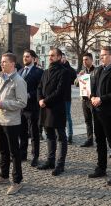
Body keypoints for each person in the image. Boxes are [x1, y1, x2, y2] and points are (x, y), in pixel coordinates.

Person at [0, 53, 27, 195]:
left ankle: (17, 181)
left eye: (4, 62)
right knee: (3, 150)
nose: (1, 64)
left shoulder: (19, 81)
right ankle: (4, 176)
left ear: (12, 64)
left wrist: (2, 104)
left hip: (11, 122)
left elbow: (22, 103)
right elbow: (0, 97)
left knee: (14, 152)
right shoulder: (0, 78)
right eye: (1, 62)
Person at [88, 46, 111, 186]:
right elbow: (94, 87)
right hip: (97, 111)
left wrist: (101, 99)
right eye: (100, 54)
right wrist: (92, 97)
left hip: (110, 112)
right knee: (100, 141)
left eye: (104, 55)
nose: (101, 57)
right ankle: (101, 168)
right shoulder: (99, 69)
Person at [37, 48, 69, 176]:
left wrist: (45, 100)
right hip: (45, 108)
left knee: (61, 136)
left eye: (53, 55)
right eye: (49, 55)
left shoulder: (64, 72)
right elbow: (39, 87)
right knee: (49, 135)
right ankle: (50, 161)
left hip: (56, 108)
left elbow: (60, 91)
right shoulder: (45, 72)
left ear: (59, 57)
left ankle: (60, 164)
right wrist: (40, 99)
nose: (50, 57)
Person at [18, 49, 44, 167]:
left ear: (33, 58)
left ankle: (35, 156)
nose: (25, 58)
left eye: (27, 56)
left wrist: (29, 95)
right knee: (22, 132)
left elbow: (41, 89)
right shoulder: (20, 71)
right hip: (21, 108)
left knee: (34, 133)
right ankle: (23, 154)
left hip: (32, 107)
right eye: (24, 56)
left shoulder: (39, 72)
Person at [74, 53, 95, 147]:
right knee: (88, 120)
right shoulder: (82, 71)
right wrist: (79, 77)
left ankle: (99, 138)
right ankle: (90, 139)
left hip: (93, 99)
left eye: (86, 59)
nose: (84, 61)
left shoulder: (96, 71)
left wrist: (89, 78)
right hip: (84, 99)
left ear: (91, 60)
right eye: (83, 60)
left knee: (97, 120)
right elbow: (76, 84)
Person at [61, 53, 77, 144]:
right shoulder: (57, 68)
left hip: (66, 96)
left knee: (67, 116)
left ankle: (69, 135)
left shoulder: (70, 70)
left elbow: (73, 80)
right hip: (57, 97)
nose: (62, 59)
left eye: (63, 57)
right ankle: (60, 135)